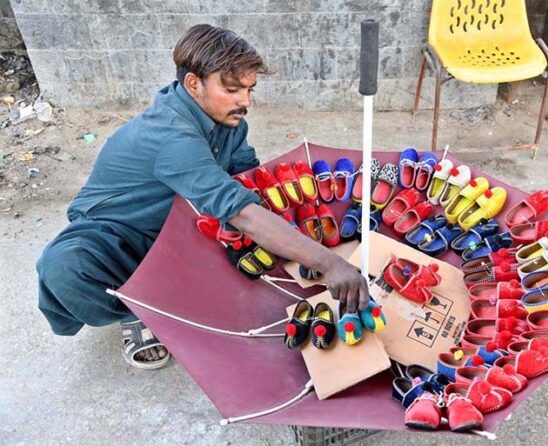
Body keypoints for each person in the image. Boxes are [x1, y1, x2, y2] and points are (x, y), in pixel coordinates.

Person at [36, 24, 370, 369]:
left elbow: (245, 179)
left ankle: (169, 284)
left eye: (250, 89)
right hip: (120, 232)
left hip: (181, 221)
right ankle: (135, 312)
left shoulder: (229, 122)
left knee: (245, 238)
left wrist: (293, 233)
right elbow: (239, 210)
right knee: (65, 269)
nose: (246, 101)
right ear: (194, 83)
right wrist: (328, 263)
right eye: (233, 89)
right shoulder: (171, 134)